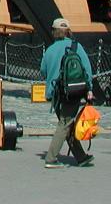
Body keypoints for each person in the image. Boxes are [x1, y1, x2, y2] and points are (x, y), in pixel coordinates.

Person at [40, 17, 95, 169]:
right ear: (68, 31)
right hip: (73, 91)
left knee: (67, 123)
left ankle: (81, 157)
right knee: (65, 124)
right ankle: (51, 158)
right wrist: (89, 88)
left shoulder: (49, 50)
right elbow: (86, 69)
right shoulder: (76, 47)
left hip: (55, 93)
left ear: (54, 31)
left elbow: (42, 71)